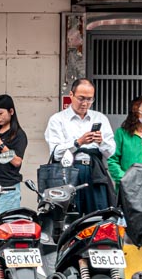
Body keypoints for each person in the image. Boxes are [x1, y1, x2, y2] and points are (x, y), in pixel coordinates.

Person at [44, 78, 116, 215]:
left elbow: (112, 153)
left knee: (99, 215)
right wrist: (78, 142)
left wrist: (101, 142)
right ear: (71, 95)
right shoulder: (57, 119)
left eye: (89, 99)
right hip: (67, 171)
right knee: (68, 215)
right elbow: (56, 153)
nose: (85, 103)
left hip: (94, 171)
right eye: (81, 98)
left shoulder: (100, 118)